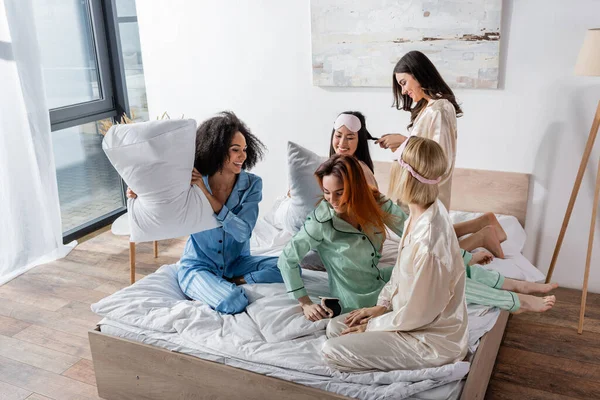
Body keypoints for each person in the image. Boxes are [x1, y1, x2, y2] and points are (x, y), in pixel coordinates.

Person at [322, 137, 557, 372]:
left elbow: (419, 314)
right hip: (404, 316)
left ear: (405, 175)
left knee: (332, 350)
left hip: (428, 337)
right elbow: (399, 275)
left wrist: (372, 326)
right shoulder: (418, 213)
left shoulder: (428, 241)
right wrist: (380, 306)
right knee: (335, 328)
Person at [276, 154, 478, 321]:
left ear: (355, 188)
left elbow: (418, 235)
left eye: (340, 192)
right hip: (355, 299)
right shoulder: (320, 222)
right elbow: (287, 259)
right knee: (440, 280)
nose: (332, 201)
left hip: (382, 281)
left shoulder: (376, 203)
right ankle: (500, 288)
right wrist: (305, 303)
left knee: (441, 268)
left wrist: (460, 257)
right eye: (327, 192)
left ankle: (501, 282)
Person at [130, 111, 283, 314]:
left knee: (289, 266)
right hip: (198, 265)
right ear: (217, 150)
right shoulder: (191, 180)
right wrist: (138, 193)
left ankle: (231, 281)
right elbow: (162, 202)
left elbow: (243, 233)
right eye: (235, 150)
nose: (243, 156)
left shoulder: (252, 184)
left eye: (245, 149)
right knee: (233, 300)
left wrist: (241, 280)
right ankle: (208, 286)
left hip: (237, 263)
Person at [377, 50, 506, 258]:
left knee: (428, 255)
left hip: (426, 193)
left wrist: (403, 142)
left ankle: (481, 236)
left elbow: (438, 157)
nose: (403, 92)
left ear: (417, 74)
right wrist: (402, 146)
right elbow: (422, 149)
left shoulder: (440, 109)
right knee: (418, 243)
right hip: (416, 193)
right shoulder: (428, 109)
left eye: (403, 83)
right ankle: (483, 224)